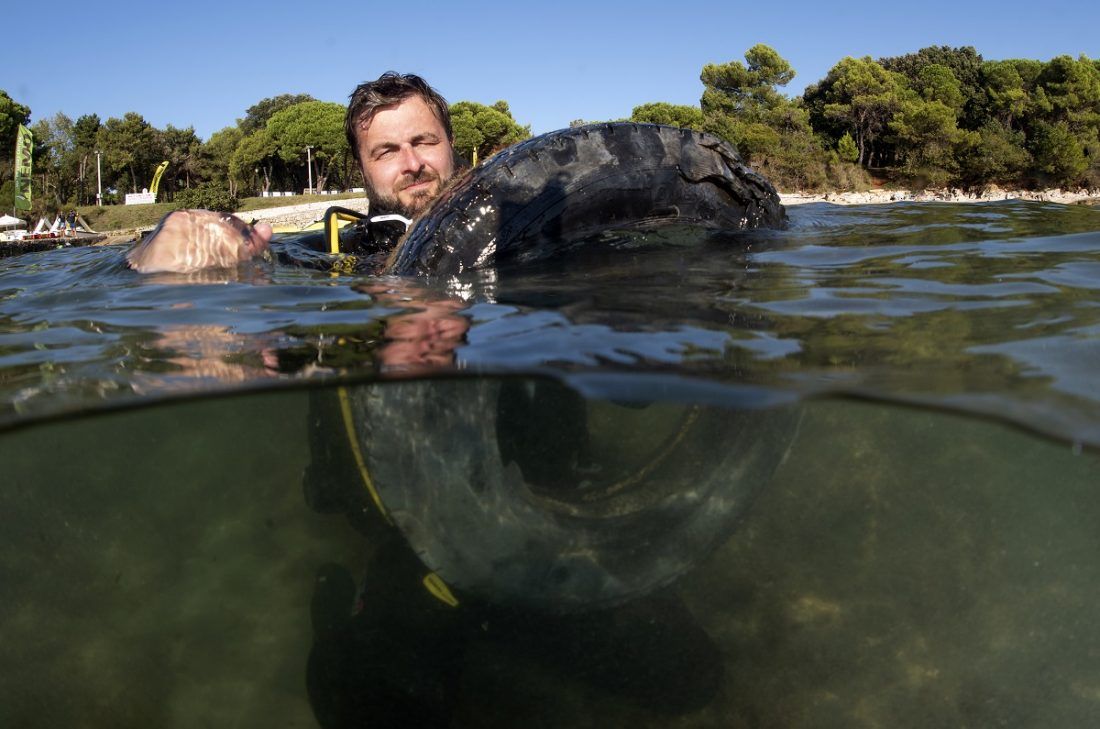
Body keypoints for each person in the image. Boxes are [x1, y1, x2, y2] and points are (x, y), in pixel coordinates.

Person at [126, 72, 460, 274]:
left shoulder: (496, 218)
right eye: (386, 152)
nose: (412, 163)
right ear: (361, 169)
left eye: (425, 142)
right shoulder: (329, 253)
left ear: (451, 144)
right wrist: (164, 252)